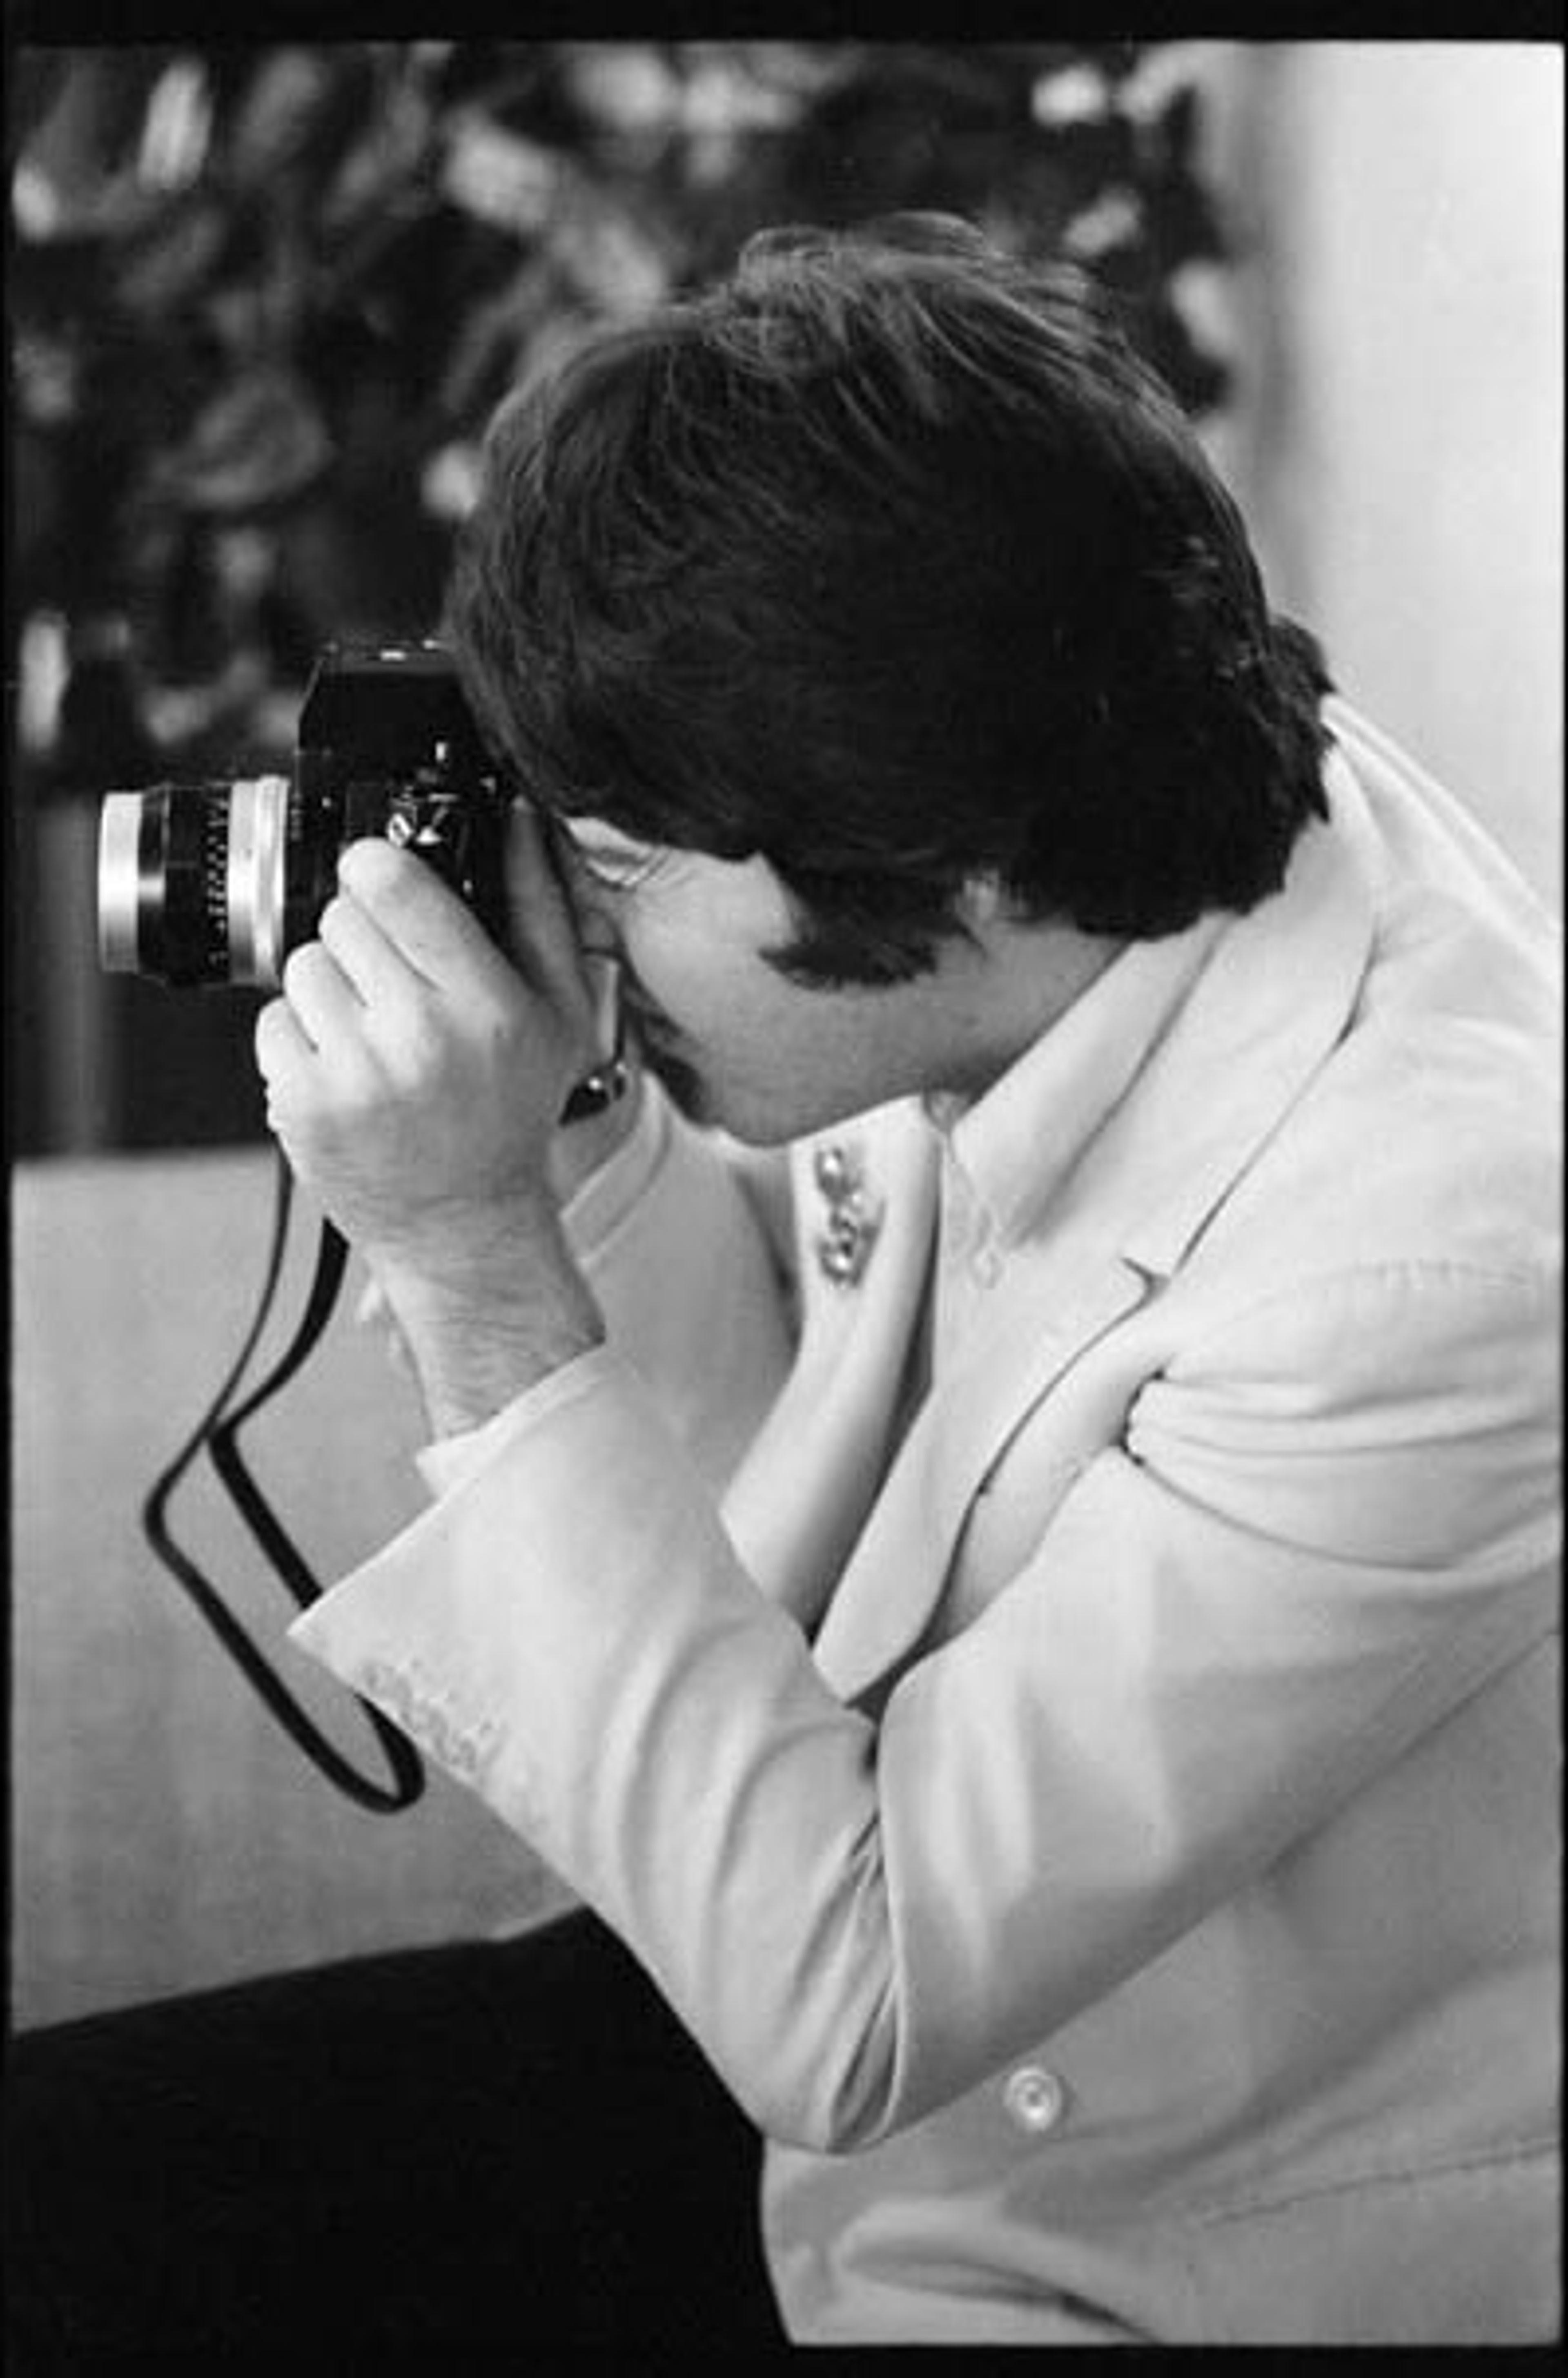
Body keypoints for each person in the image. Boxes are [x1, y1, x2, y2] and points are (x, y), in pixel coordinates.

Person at [9, 214, 1559, 2352]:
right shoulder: (1043, 751)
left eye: (622, 872)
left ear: (945, 880)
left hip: (1118, 2216)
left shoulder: (1432, 1262)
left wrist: (471, 1262)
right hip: (758, 1985)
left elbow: (857, 2006)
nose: (575, 913)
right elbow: (768, 1526)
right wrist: (565, 1128)